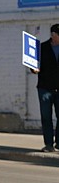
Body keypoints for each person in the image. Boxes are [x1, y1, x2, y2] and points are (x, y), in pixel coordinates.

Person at [31, 24, 59, 152]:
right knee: (46, 117)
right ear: (53, 35)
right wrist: (34, 69)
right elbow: (33, 65)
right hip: (45, 88)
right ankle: (48, 144)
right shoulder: (42, 48)